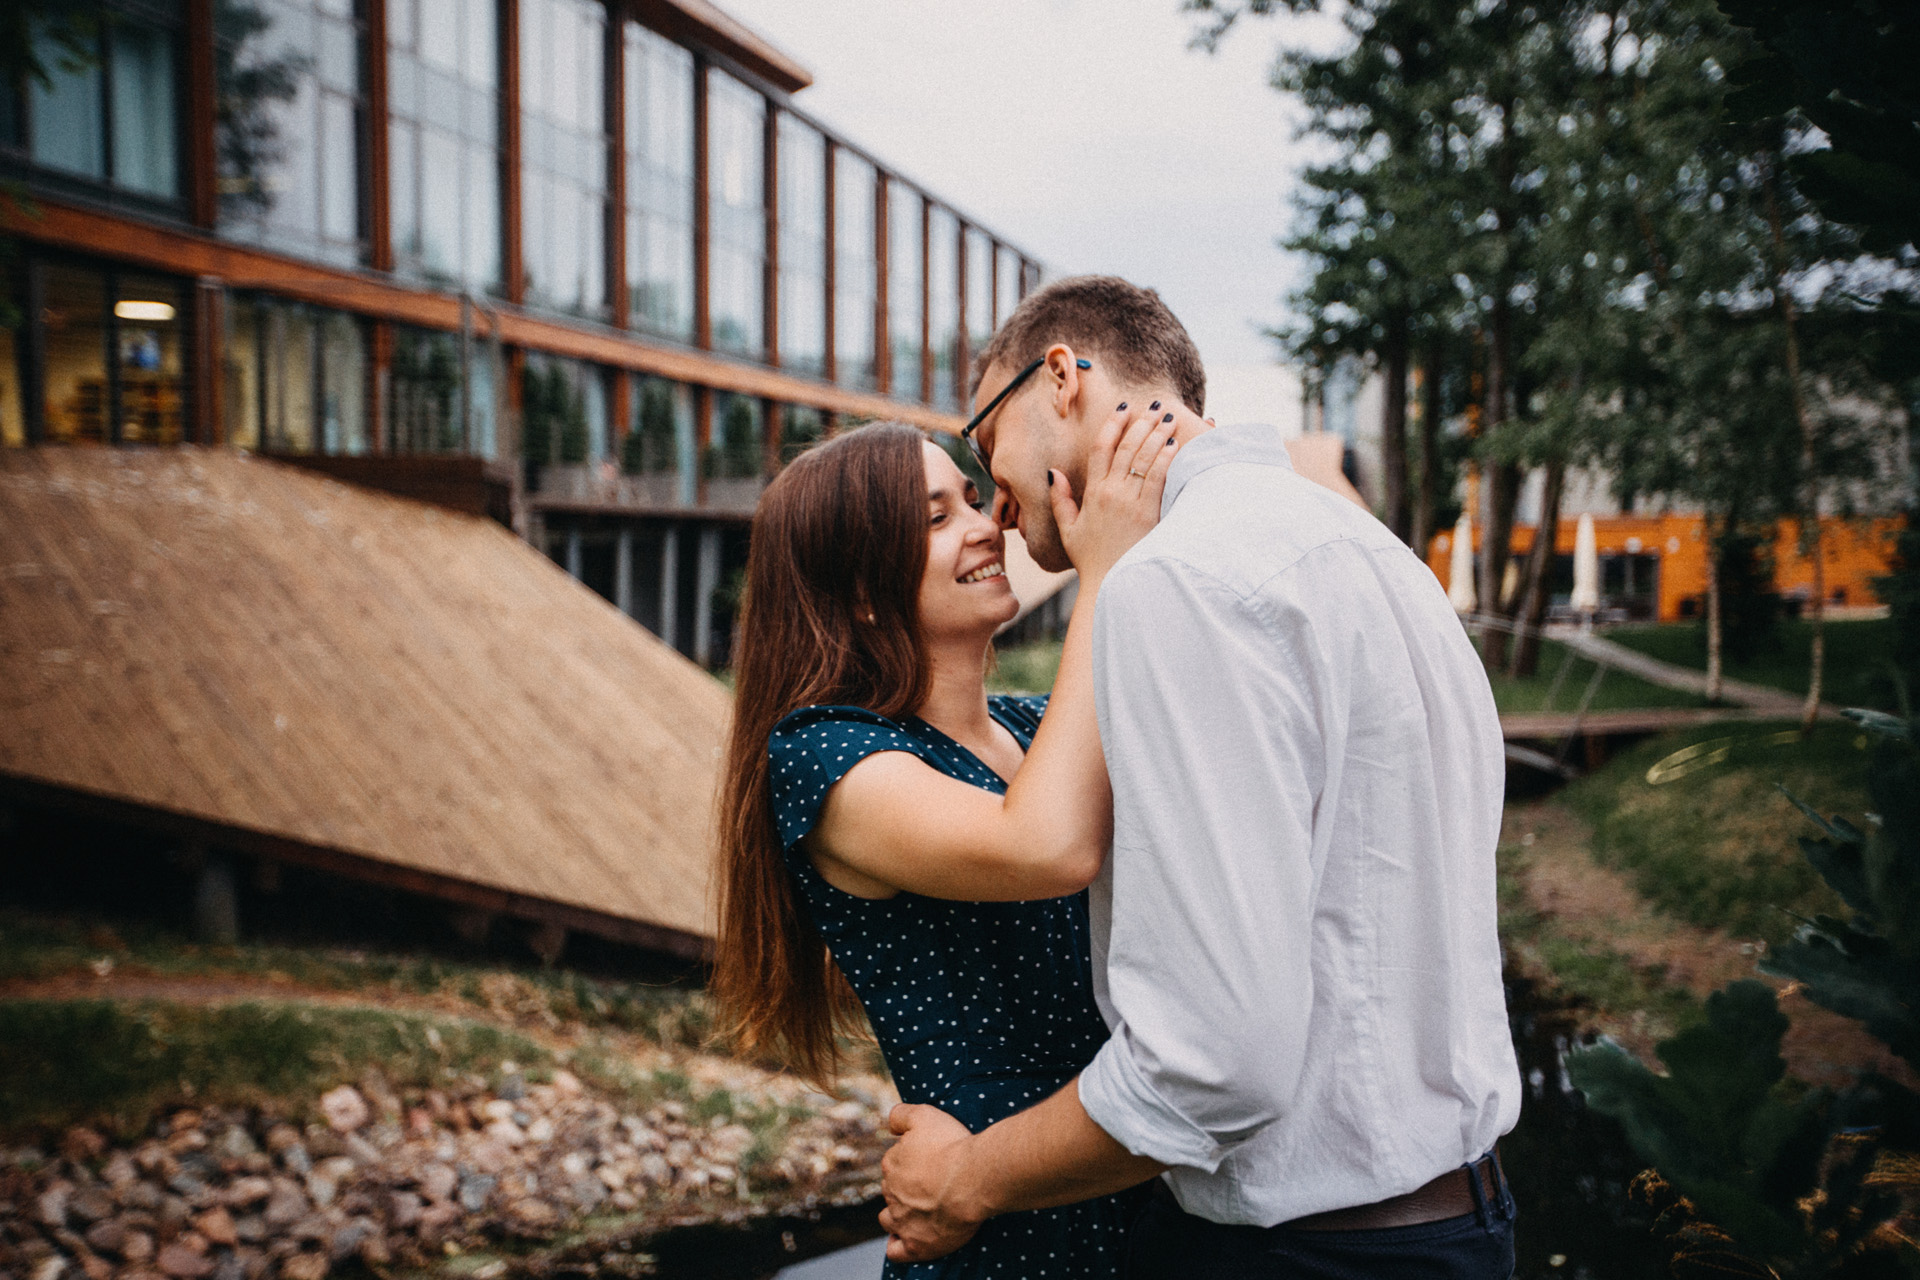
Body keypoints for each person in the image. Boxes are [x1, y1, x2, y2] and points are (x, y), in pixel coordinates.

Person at [879, 275, 1524, 1279]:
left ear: (1062, 379)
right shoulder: (1373, 551)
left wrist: (971, 1179)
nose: (995, 501)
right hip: (1461, 1219)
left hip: (1307, 1255)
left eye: (985, 438)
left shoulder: (1176, 579)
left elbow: (1216, 1062)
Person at [711, 410, 1184, 1278]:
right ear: (861, 588)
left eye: (973, 499)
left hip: (1138, 1182)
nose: (985, 526)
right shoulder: (826, 756)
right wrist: (1106, 571)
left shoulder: (1035, 727)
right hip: (1002, 1230)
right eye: (937, 518)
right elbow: (1046, 848)